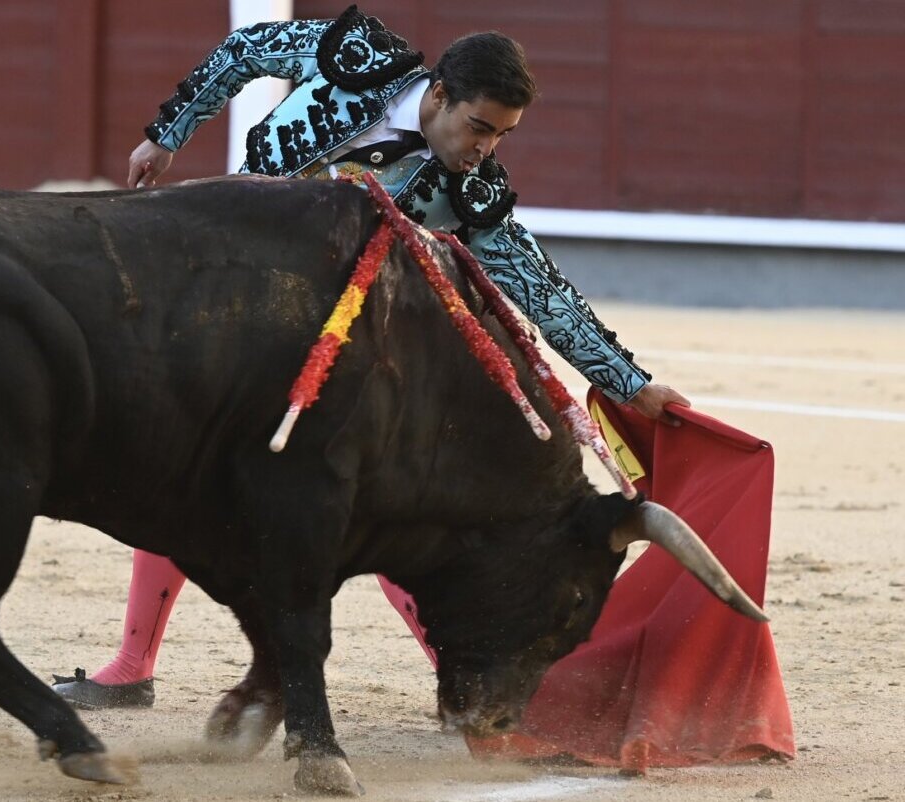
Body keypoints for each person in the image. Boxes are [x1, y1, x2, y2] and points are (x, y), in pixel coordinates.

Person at [51, 6, 690, 709]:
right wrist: (167, 135)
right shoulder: (353, 58)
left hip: (328, 347)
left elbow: (543, 293)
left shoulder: (468, 192)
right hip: (226, 302)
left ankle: (470, 689)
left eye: (503, 135)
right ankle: (132, 665)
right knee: (185, 467)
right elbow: (244, 51)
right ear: (439, 95)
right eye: (479, 127)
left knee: (384, 506)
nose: (485, 149)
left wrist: (633, 385)